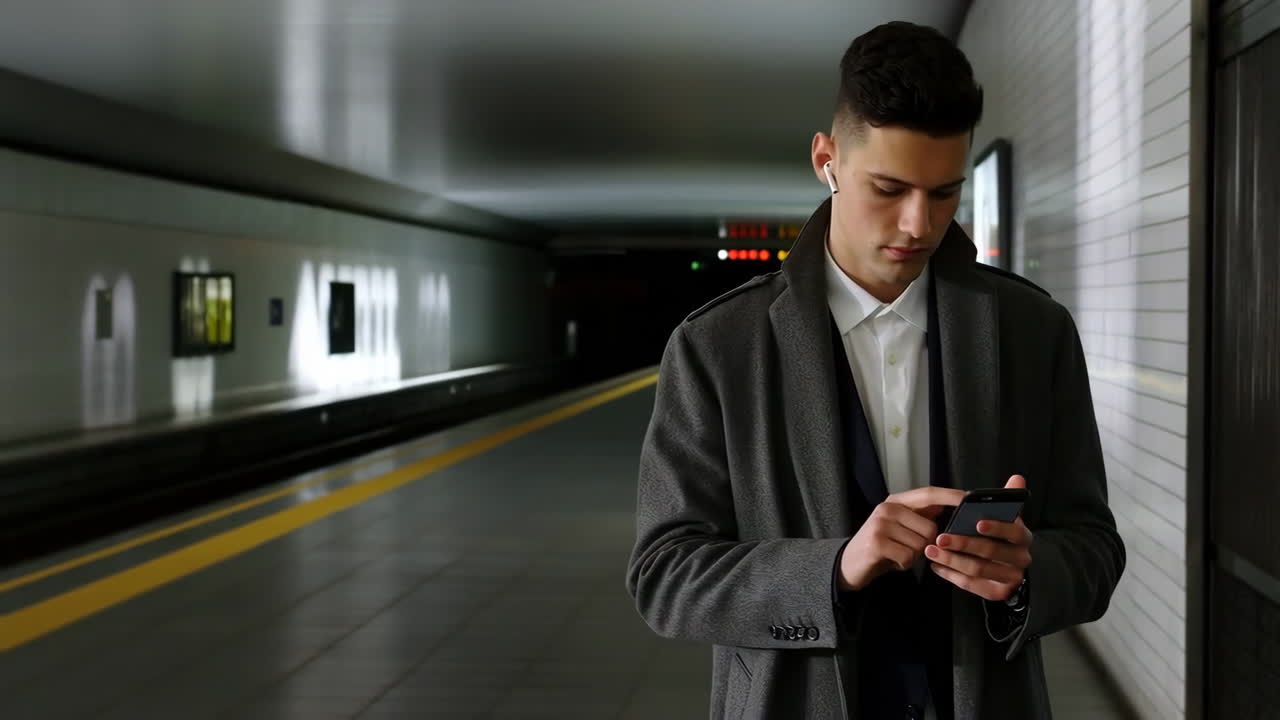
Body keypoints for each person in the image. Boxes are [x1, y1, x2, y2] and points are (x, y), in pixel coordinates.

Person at [625, 20, 1125, 720]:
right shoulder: (719, 345)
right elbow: (664, 576)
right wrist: (832, 569)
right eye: (888, 189)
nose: (919, 224)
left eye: (944, 193)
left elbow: (1096, 549)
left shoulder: (1034, 332)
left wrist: (1026, 572)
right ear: (826, 160)